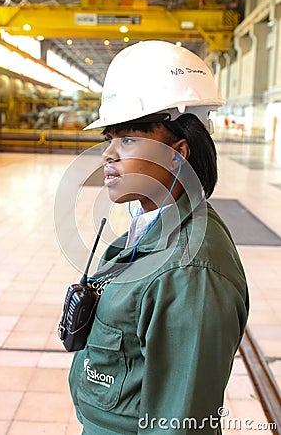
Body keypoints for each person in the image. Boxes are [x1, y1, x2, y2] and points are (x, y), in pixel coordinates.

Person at [68, 40, 249, 434]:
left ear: (177, 153)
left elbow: (179, 423)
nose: (109, 155)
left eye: (128, 139)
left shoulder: (190, 272)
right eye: (108, 140)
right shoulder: (146, 228)